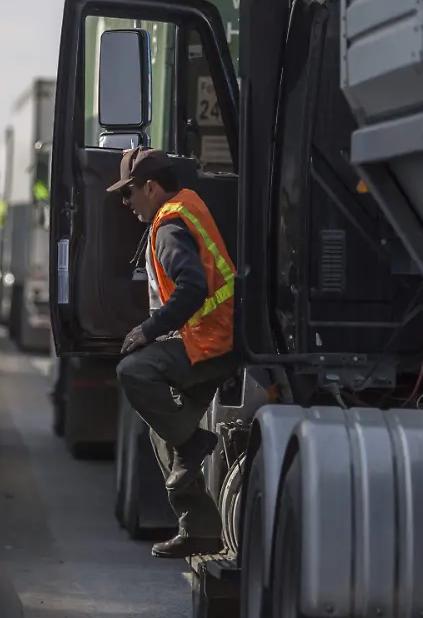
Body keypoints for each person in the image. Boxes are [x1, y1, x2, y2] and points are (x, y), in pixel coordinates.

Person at [108, 146, 238, 559]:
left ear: (150, 187)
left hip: (211, 343)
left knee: (134, 372)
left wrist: (149, 330)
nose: (127, 204)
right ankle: (198, 529)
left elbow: (192, 288)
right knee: (164, 430)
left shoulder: (169, 226)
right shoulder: (188, 206)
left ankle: (194, 443)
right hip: (217, 339)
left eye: (129, 194)